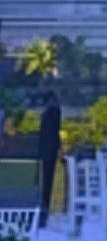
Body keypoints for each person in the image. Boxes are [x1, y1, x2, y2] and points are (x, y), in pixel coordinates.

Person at [38, 91, 62, 225]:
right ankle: (44, 206)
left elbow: (51, 131)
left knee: (47, 179)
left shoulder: (52, 112)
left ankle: (45, 207)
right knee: (46, 180)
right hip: (48, 150)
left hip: (48, 150)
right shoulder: (53, 111)